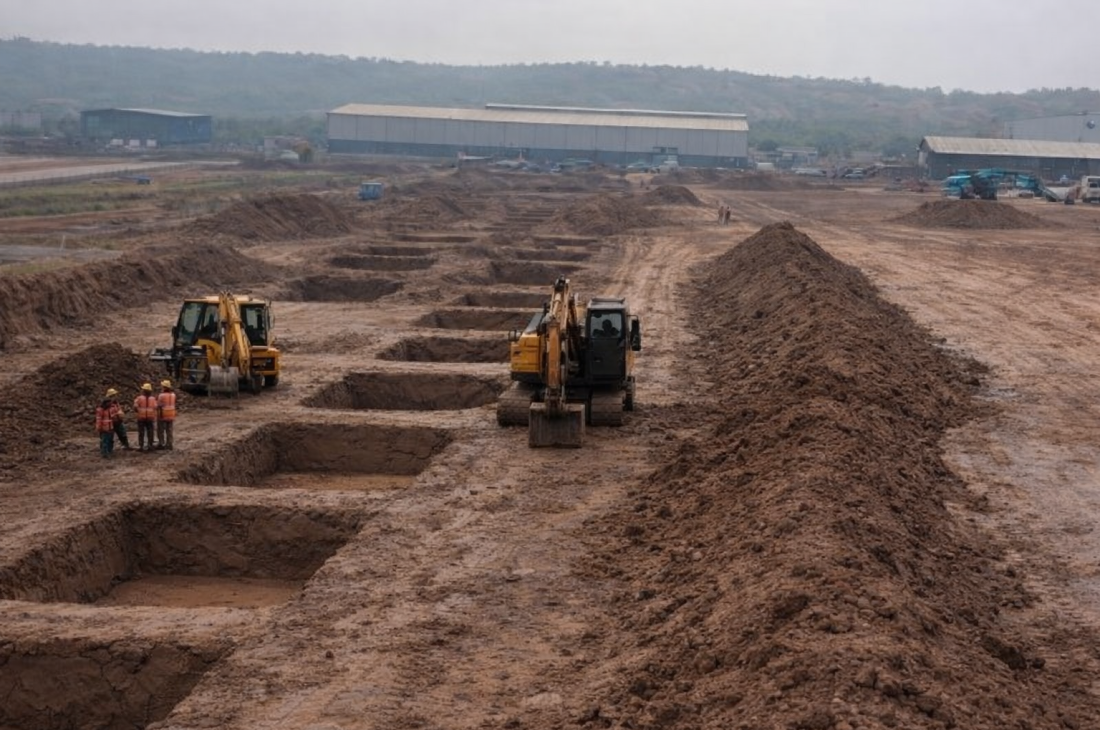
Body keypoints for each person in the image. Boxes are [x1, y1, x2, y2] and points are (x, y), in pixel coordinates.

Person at [134, 383, 158, 452]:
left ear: (143, 390)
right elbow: (155, 407)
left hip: (141, 418)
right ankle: (150, 446)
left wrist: (138, 411)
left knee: (141, 433)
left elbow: (135, 407)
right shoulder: (153, 399)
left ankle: (141, 446)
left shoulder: (139, 398)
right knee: (150, 432)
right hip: (150, 418)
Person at [157, 379, 177, 450]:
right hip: (171, 414)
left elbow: (159, 405)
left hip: (163, 415)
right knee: (169, 430)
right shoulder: (173, 395)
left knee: (161, 430)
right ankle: (169, 444)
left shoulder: (161, 395)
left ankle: (161, 444)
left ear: (164, 387)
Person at [95, 392, 116, 458]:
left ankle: (109, 451)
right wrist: (99, 428)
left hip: (110, 427)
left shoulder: (110, 409)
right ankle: (104, 453)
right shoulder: (100, 410)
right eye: (109, 402)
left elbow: (113, 416)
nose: (110, 404)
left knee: (110, 440)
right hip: (104, 428)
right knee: (105, 441)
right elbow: (99, 420)